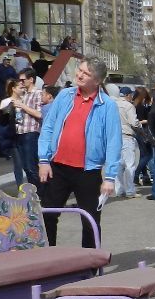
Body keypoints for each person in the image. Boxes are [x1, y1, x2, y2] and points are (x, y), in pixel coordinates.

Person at [36, 58, 121, 248]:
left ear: (97, 80)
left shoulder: (107, 105)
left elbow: (114, 142)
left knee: (90, 220)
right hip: (57, 167)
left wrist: (110, 177)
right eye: (80, 70)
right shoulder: (65, 95)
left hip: (88, 171)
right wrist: (43, 160)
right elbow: (48, 127)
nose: (80, 75)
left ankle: (90, 264)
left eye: (86, 73)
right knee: (47, 214)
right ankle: (49, 258)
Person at [10, 71, 45, 192]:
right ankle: (34, 193)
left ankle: (40, 194)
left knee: (31, 166)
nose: (21, 82)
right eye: (20, 81)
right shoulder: (24, 94)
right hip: (20, 131)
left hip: (31, 132)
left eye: (23, 80)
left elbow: (40, 114)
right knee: (25, 166)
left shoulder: (38, 94)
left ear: (31, 80)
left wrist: (22, 106)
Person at [113, 89, 140, 199]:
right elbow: (134, 122)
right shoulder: (128, 106)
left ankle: (119, 190)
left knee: (118, 165)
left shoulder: (113, 105)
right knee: (129, 165)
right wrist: (140, 126)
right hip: (127, 136)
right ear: (128, 95)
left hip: (115, 137)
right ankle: (130, 191)